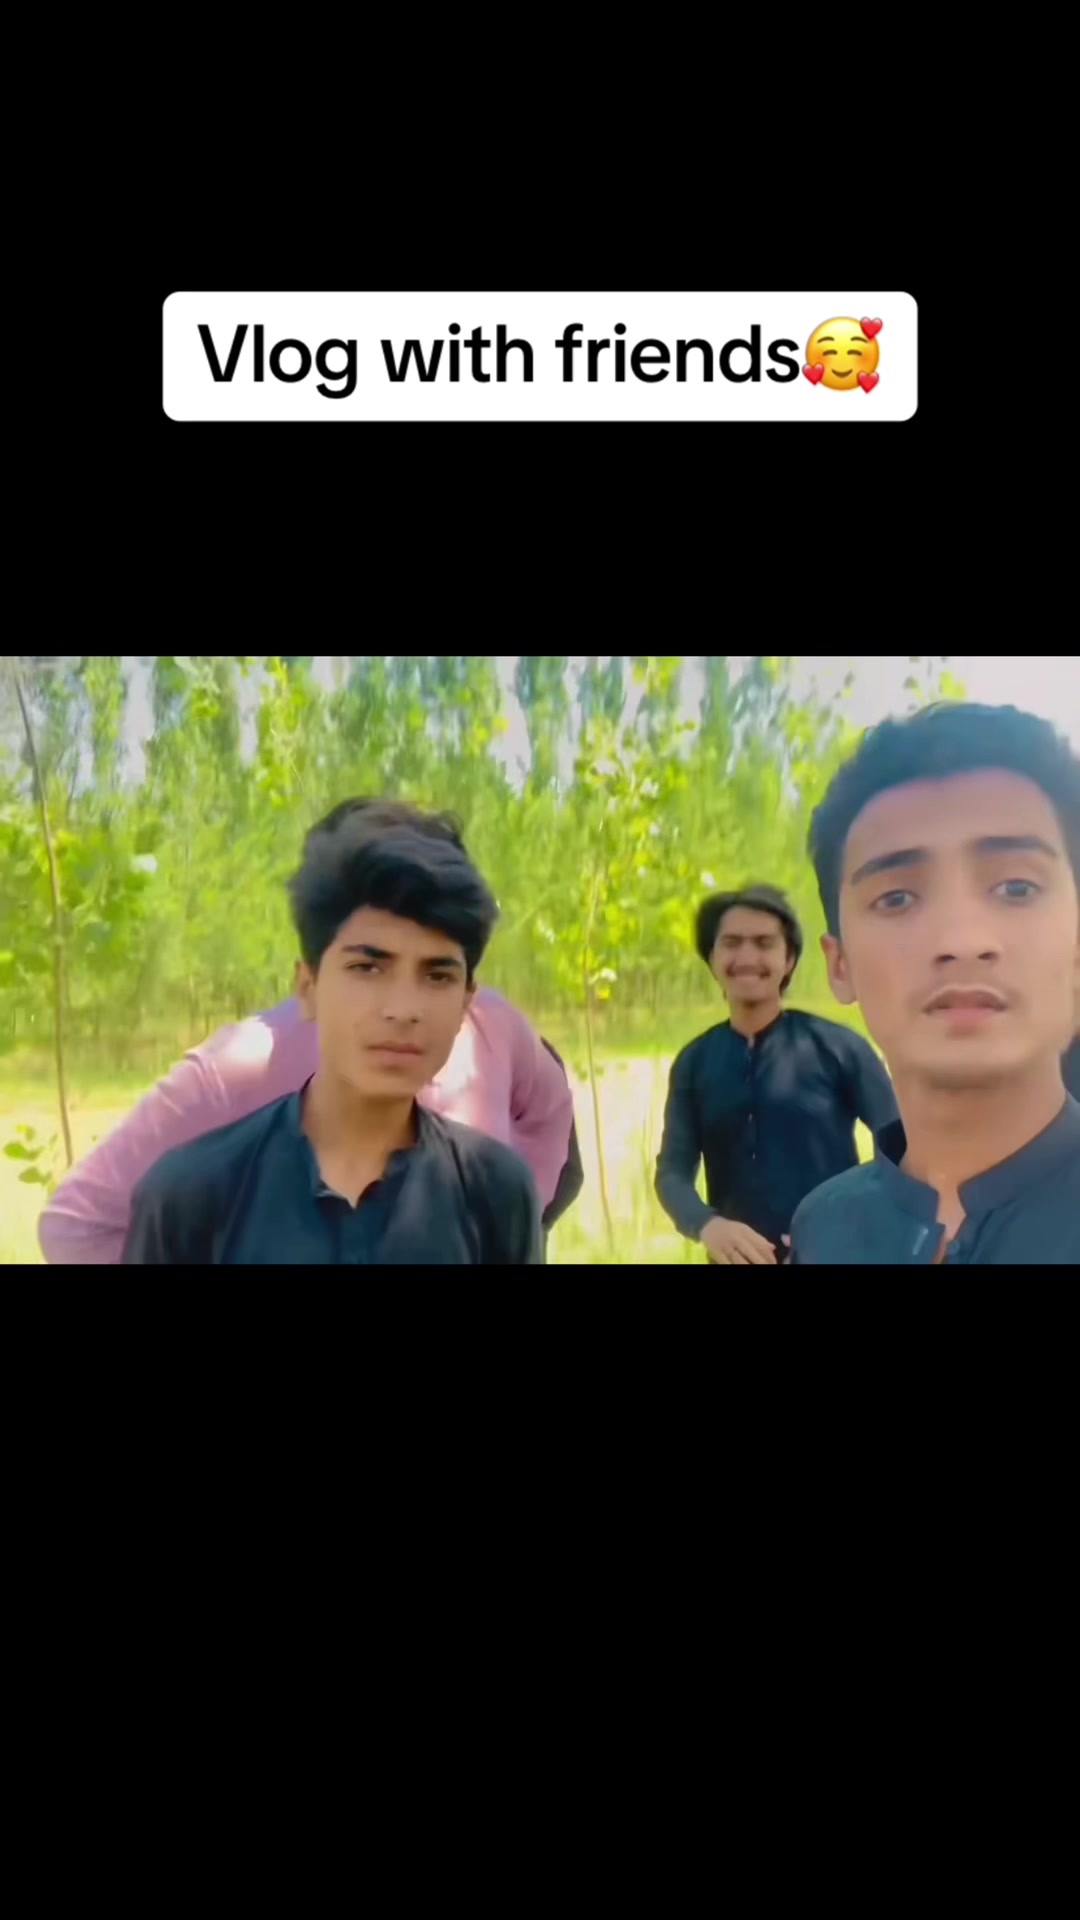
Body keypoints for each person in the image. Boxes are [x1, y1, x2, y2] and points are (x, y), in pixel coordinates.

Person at [39, 800, 577, 1264]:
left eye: (437, 976)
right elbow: (76, 1222)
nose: (403, 1009)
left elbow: (551, 1107)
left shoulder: (499, 1189)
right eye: (368, 967)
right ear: (308, 984)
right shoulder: (191, 1186)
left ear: (466, 1000)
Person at [789, 703, 1080, 1265]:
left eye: (1017, 888)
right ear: (840, 965)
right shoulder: (824, 1228)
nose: (962, 940)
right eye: (897, 898)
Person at [654, 883, 898, 1265]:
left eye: (764, 943)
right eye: (731, 943)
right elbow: (672, 1174)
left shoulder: (838, 1048)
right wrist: (708, 1225)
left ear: (789, 960)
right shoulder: (694, 1062)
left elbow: (902, 1147)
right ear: (712, 958)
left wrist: (846, 1217)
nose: (747, 957)